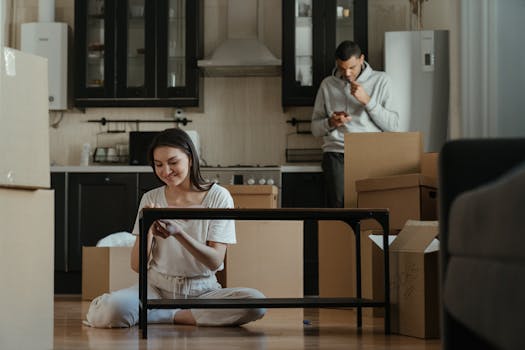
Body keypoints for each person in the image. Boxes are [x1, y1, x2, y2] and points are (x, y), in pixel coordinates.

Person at [84, 128, 266, 328]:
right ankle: (183, 315)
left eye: (173, 162)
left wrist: (178, 233)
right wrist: (149, 229)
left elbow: (214, 261)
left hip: (203, 292)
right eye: (158, 165)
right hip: (156, 288)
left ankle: (161, 315)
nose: (166, 171)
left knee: (256, 303)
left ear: (190, 158)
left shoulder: (219, 196)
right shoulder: (151, 198)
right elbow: (137, 265)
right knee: (111, 311)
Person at [311, 40, 399, 208]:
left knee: (372, 208)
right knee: (339, 210)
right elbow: (315, 129)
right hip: (336, 154)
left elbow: (393, 126)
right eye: (342, 69)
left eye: (352, 67)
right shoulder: (327, 85)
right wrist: (331, 122)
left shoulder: (382, 80)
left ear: (361, 59)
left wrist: (367, 100)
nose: (348, 73)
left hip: (372, 153)